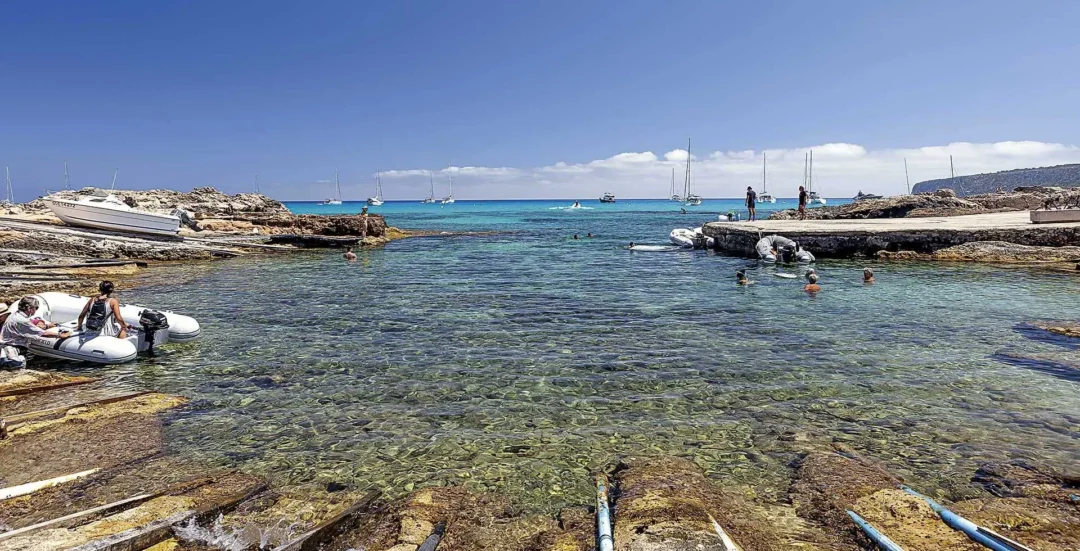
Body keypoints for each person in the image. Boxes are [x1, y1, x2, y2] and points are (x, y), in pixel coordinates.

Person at [1, 296, 72, 349]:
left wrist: (47, 326)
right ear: (29, 308)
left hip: (7, 347)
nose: (36, 310)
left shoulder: (15, 314)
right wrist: (60, 335)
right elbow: (42, 333)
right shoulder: (22, 320)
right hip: (11, 349)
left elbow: (29, 324)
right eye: (36, 308)